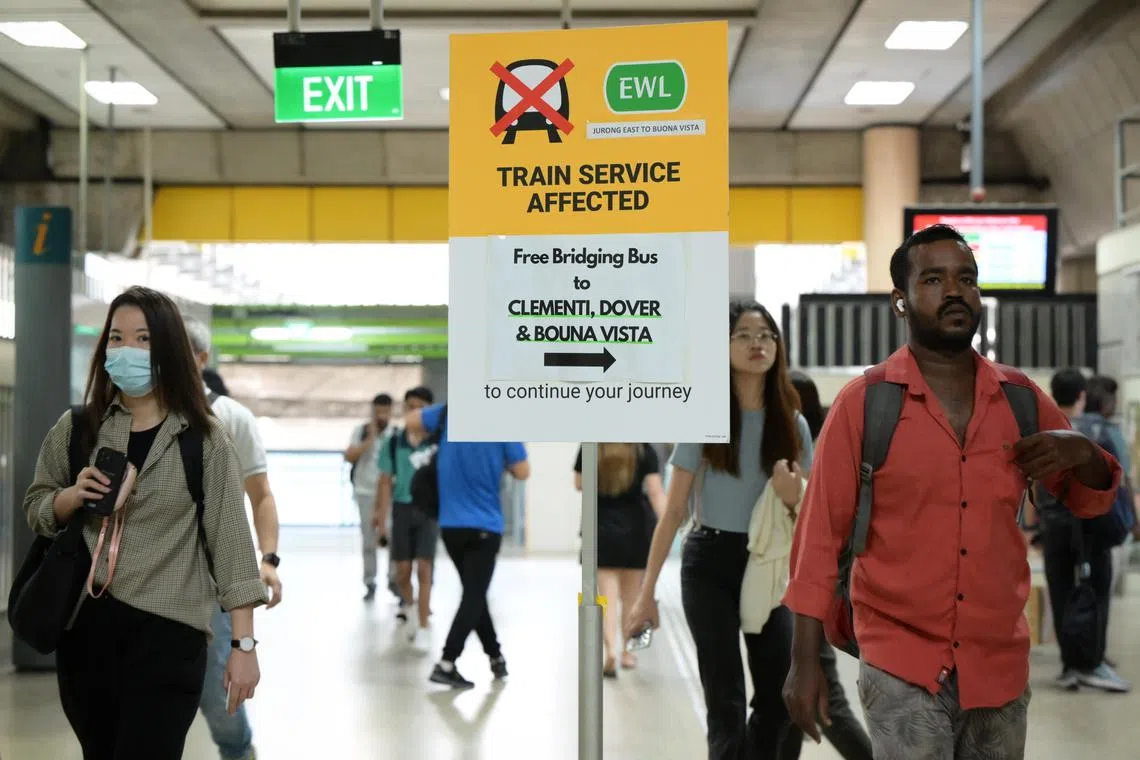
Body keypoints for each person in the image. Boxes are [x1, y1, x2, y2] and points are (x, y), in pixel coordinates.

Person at [782, 224, 1121, 760]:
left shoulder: (1019, 400)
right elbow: (819, 539)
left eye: (966, 278)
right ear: (900, 301)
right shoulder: (865, 404)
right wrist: (803, 663)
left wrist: (1085, 454)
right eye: (934, 279)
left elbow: (1090, 497)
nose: (955, 291)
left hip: (999, 663)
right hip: (900, 657)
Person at [23, 286, 266, 760]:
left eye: (143, 340)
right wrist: (72, 496)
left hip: (170, 635)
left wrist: (244, 645)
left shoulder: (204, 440)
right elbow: (37, 506)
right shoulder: (77, 429)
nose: (125, 351)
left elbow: (233, 546)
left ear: (170, 350)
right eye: (116, 338)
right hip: (86, 631)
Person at [625, 299, 813, 760]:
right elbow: (672, 512)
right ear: (723, 347)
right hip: (710, 563)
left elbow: (809, 519)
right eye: (744, 335)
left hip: (771, 565)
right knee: (724, 698)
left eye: (766, 336)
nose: (757, 344)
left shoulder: (794, 424)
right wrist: (646, 593)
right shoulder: (703, 421)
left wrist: (795, 498)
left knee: (777, 697)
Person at [185, 316, 284, 760]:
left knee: (219, 696)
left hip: (213, 586)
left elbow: (261, 496)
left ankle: (239, 751)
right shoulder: (129, 416)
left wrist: (269, 559)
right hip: (142, 587)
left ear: (201, 358)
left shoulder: (229, 417)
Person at [403, 402, 530, 689]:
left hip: (450, 524)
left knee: (475, 593)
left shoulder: (450, 413)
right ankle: (447, 662)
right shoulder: (503, 421)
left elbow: (411, 421)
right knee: (474, 595)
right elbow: (523, 471)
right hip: (485, 525)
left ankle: (496, 657)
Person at [780, 372, 872, 760]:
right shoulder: (795, 454)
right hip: (794, 591)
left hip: (814, 593)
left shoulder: (821, 456)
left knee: (826, 698)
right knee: (790, 697)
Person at [1036, 369, 1130, 693]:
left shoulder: (1044, 432)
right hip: (1092, 527)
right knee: (1095, 592)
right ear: (1082, 397)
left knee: (1061, 593)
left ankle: (1069, 666)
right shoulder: (1098, 432)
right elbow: (1117, 479)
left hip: (1054, 528)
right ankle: (1093, 663)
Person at [572, 442, 666, 676]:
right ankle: (626, 651)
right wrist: (668, 526)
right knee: (632, 597)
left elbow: (579, 483)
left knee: (605, 598)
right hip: (636, 529)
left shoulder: (590, 447)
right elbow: (655, 492)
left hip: (600, 528)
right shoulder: (643, 449)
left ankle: (609, 651)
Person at [375, 385, 438, 641]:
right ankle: (410, 608)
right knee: (402, 572)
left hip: (429, 510)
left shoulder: (436, 442)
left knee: (425, 569)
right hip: (401, 509)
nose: (414, 412)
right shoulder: (394, 442)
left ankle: (422, 623)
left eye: (420, 408)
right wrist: (381, 521)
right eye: (410, 407)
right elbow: (384, 482)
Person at [344, 393, 393, 600]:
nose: (381, 415)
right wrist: (369, 440)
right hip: (365, 492)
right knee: (368, 539)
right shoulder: (361, 431)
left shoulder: (395, 434)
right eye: (377, 411)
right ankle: (370, 580)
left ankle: (394, 580)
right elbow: (349, 456)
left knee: (390, 536)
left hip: (389, 493)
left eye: (385, 411)